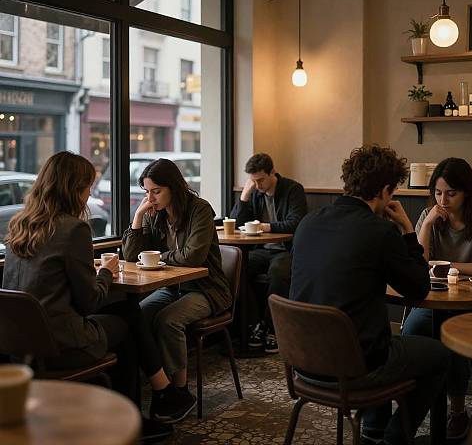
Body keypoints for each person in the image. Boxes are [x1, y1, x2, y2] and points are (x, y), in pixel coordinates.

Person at [1, 151, 180, 441]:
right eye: (87, 187)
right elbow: (89, 303)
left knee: (126, 311)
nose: (89, 194)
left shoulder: (20, 224)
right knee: (129, 320)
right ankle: (139, 414)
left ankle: (160, 395)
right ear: (73, 189)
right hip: (60, 346)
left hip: (18, 347)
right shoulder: (74, 229)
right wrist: (106, 272)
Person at [290, 145, 450, 445]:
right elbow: (419, 288)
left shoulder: (308, 223)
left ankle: (372, 431)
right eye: (392, 192)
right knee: (438, 354)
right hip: (355, 367)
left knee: (370, 332)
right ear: (385, 190)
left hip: (304, 362)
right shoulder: (379, 231)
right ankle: (393, 439)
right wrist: (406, 227)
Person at [402, 157, 472, 440]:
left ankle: (457, 412)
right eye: (437, 192)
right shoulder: (430, 217)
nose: (443, 200)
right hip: (434, 300)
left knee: (453, 336)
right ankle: (409, 406)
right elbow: (417, 265)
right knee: (412, 329)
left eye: (451, 193)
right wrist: (425, 228)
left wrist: (444, 264)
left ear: (467, 193)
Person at [122, 158, 232, 422]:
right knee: (136, 315)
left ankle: (181, 392)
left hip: (206, 289)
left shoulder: (200, 209)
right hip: (173, 287)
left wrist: (159, 257)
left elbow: (193, 256)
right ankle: (159, 389)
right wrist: (138, 217)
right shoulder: (153, 213)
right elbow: (130, 255)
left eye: (156, 191)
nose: (151, 197)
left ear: (174, 187)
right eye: (146, 191)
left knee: (168, 321)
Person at [230, 152, 307, 353]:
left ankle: (272, 328)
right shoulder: (254, 192)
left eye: (261, 180)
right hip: (262, 250)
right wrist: (244, 197)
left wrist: (265, 227)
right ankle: (256, 324)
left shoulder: (292, 189)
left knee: (279, 272)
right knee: (237, 268)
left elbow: (296, 222)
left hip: (286, 250)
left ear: (273, 172)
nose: (257, 185)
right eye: (253, 181)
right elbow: (236, 223)